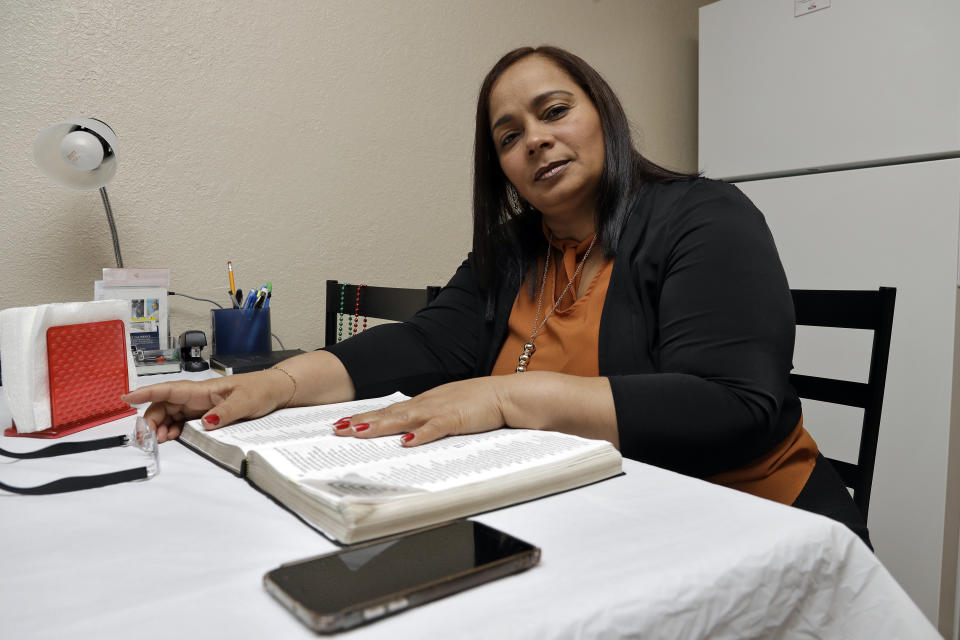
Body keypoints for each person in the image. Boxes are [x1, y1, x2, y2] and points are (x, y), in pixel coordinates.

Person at [122, 45, 870, 547]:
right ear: (502, 168)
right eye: (509, 136)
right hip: (595, 519)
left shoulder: (705, 215)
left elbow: (735, 406)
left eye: (553, 112)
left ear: (602, 117)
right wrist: (270, 385)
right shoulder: (512, 254)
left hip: (749, 523)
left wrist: (509, 397)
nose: (535, 141)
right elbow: (420, 343)